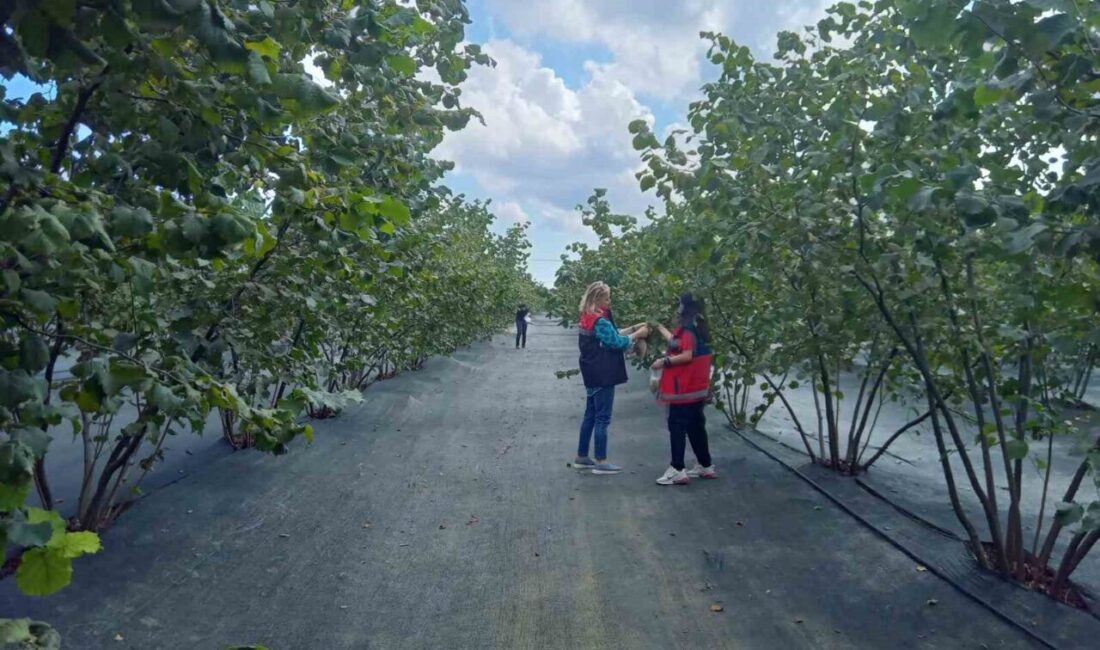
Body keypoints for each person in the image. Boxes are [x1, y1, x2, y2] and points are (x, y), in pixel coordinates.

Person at [574, 281, 649, 474]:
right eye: (607, 298)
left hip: (591, 373)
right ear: (597, 298)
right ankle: (601, 461)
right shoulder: (600, 321)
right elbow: (616, 342)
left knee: (590, 415)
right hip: (603, 374)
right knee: (602, 418)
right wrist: (638, 334)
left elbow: (610, 334)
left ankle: (582, 456)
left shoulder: (586, 318)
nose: (609, 302)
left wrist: (632, 328)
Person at [651, 293, 716, 486]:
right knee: (696, 426)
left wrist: (664, 361)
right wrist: (659, 327)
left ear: (683, 307)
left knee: (677, 425)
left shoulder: (687, 329)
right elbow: (679, 344)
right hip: (696, 388)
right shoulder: (698, 327)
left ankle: (677, 468)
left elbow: (686, 354)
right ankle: (705, 465)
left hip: (683, 389)